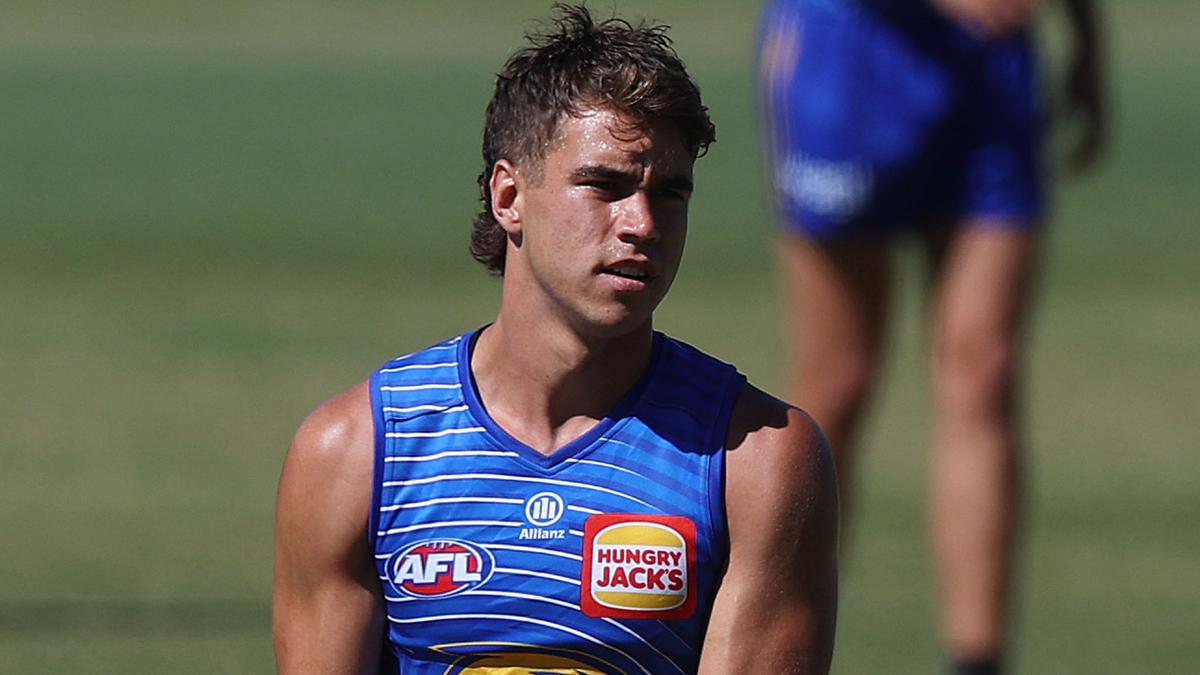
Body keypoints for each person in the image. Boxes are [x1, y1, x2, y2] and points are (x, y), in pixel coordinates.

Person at [273, 4, 839, 673]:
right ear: (509, 197)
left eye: (670, 193)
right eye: (605, 184)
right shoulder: (358, 454)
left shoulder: (754, 461)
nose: (642, 223)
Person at [758, 0, 1105, 672]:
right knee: (839, 381)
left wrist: (1086, 36)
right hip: (853, 53)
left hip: (992, 68)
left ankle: (977, 660)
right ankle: (774, 646)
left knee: (985, 368)